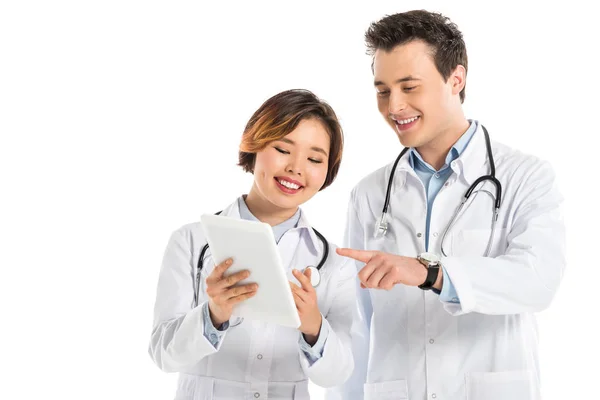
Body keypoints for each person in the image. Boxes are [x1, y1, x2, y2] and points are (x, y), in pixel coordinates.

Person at [328, 10, 566, 400]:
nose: (394, 106)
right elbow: (357, 323)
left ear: (456, 79)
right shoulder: (370, 194)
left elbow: (538, 281)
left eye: (409, 87)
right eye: (383, 90)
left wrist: (430, 273)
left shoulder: (525, 177)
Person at [149, 89, 355, 400]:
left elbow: (337, 374)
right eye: (283, 149)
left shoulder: (335, 264)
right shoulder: (192, 241)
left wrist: (313, 325)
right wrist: (214, 314)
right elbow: (164, 355)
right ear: (255, 145)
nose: (296, 168)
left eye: (314, 158)